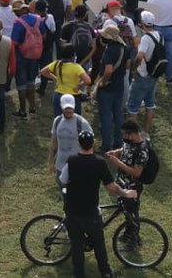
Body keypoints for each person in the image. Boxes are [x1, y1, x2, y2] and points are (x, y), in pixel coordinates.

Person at [58, 129, 137, 278]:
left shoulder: (72, 160)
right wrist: (126, 193)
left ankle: (79, 274)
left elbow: (63, 179)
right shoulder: (99, 162)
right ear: (93, 143)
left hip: (73, 211)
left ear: (78, 144)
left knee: (76, 246)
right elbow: (111, 187)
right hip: (90, 212)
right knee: (99, 243)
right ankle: (106, 273)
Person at [48, 93, 93, 183]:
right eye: (66, 108)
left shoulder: (81, 123)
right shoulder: (57, 121)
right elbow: (54, 143)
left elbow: (90, 145)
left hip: (78, 166)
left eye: (70, 108)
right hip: (60, 165)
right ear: (61, 106)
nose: (68, 110)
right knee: (63, 192)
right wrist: (51, 162)